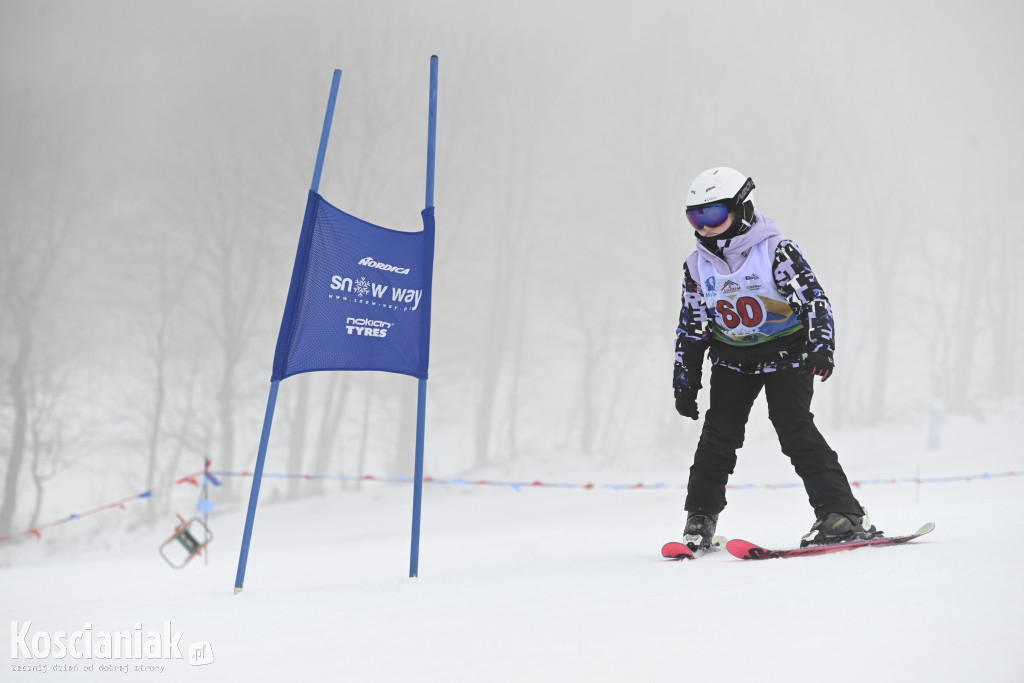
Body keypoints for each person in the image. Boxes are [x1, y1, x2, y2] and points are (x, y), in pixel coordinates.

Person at [672, 166, 880, 550]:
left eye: (713, 213)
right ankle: (699, 518)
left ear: (741, 208)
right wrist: (684, 380)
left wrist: (821, 345)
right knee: (719, 435)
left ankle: (843, 515)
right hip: (733, 359)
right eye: (695, 215)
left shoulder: (775, 250)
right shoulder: (696, 266)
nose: (704, 225)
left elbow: (814, 300)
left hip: (787, 353)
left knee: (793, 427)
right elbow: (692, 325)